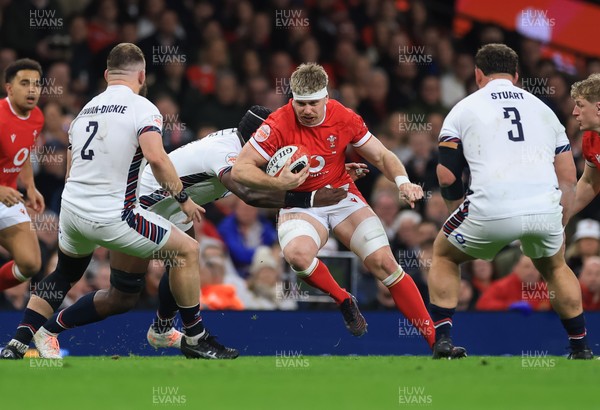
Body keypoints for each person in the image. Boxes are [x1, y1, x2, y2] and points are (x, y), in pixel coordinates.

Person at [0, 43, 236, 360]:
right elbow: (156, 157)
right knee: (187, 249)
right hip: (113, 215)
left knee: (64, 275)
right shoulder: (143, 108)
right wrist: (183, 199)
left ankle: (17, 343)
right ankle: (195, 336)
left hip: (72, 209)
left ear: (106, 75)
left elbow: (72, 162)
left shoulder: (86, 109)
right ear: (141, 75)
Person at [231, 62, 444, 353]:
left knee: (385, 263)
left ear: (326, 98)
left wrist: (402, 182)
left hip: (341, 196)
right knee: (297, 256)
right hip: (302, 204)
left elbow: (381, 155)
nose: (306, 110)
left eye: (313, 104)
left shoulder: (343, 117)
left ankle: (438, 343)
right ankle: (344, 299)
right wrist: (279, 183)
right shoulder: (278, 124)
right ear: (292, 99)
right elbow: (241, 170)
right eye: (300, 103)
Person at [427, 43, 593, 359]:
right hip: (543, 209)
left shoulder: (462, 109)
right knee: (555, 266)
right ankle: (581, 346)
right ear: (516, 75)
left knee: (444, 254)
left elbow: (447, 176)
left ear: (478, 74)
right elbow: (569, 177)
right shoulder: (545, 110)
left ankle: (443, 341)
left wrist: (457, 214)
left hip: (489, 208)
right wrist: (560, 218)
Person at [0, 58, 45, 291]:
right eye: (25, 83)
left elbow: (23, 152)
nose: (32, 89)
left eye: (37, 84)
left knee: (30, 263)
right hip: (2, 193)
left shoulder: (37, 116)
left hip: (8, 198)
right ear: (9, 88)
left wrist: (29, 186)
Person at [475, 255, 551, 312]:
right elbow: (482, 304)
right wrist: (508, 306)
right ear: (516, 268)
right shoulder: (502, 286)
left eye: (535, 268)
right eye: (526, 267)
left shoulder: (545, 288)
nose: (531, 272)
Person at [570, 74, 600, 215]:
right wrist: (558, 220)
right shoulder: (590, 138)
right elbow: (590, 182)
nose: (574, 113)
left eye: (580, 105)